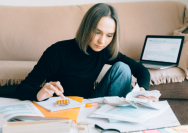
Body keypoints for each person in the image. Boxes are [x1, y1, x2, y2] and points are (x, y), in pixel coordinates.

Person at [15, 3, 158, 102]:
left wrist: (142, 90)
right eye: (97, 32)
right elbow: (23, 88)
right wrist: (39, 93)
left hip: (90, 103)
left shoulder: (105, 51)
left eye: (109, 35)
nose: (102, 41)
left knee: (123, 68)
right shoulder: (57, 51)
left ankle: (117, 119)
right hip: (61, 105)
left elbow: (140, 70)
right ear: (86, 27)